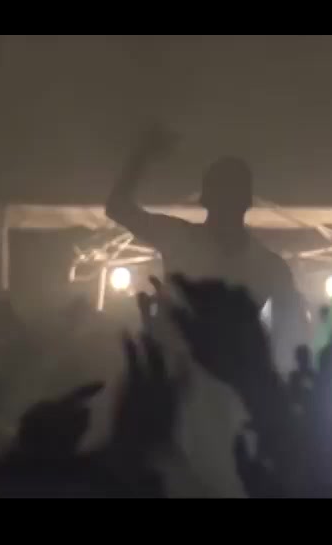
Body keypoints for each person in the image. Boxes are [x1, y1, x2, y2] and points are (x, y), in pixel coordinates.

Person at [105, 124, 307, 369]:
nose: (227, 202)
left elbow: (291, 335)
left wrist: (142, 154)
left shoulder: (267, 266)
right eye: (223, 192)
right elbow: (292, 336)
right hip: (190, 375)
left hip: (213, 378)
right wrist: (141, 154)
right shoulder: (267, 266)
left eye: (231, 193)